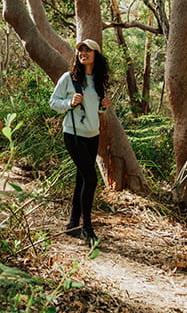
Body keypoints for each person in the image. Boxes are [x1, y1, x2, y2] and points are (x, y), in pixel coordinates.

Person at [49, 39, 111, 244]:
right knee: (91, 179)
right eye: (80, 50)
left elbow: (97, 109)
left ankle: (73, 224)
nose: (83, 53)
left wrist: (103, 106)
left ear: (96, 55)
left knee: (82, 179)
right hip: (73, 134)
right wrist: (69, 102)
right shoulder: (69, 78)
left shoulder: (99, 79)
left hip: (93, 135)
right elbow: (53, 103)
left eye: (88, 50)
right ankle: (87, 228)